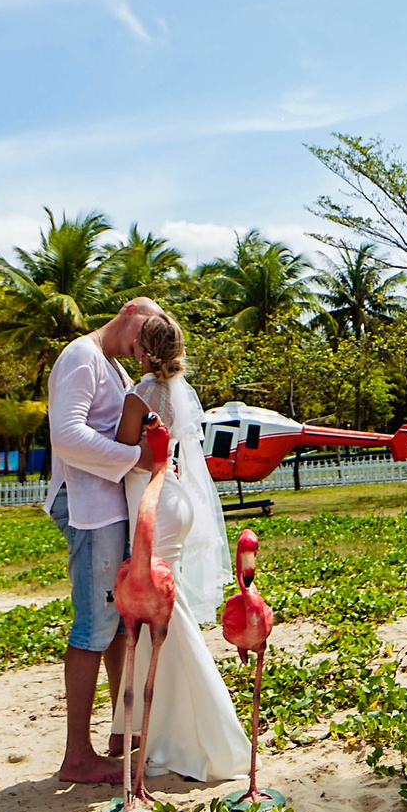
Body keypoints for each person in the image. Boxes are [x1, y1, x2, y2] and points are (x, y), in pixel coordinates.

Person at [106, 309, 248, 782]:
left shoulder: (139, 396)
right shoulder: (180, 392)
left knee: (168, 617)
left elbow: (127, 456)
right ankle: (161, 732)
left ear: (143, 351)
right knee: (159, 617)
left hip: (155, 506)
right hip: (180, 501)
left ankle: (213, 732)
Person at [46, 297, 157, 784]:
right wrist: (134, 459)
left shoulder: (113, 367)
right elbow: (66, 435)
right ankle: (76, 755)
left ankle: (120, 730)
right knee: (94, 624)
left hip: (108, 508)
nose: (143, 350)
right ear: (129, 312)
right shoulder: (81, 356)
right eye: (143, 336)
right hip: (88, 510)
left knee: (115, 623)